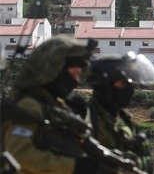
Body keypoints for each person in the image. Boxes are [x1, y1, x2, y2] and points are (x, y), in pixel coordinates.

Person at [1, 35, 99, 174]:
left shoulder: (57, 106)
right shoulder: (29, 106)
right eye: (75, 72)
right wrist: (73, 166)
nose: (77, 80)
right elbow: (18, 154)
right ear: (55, 69)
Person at [86, 51, 154, 174]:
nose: (129, 89)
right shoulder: (87, 119)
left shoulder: (124, 121)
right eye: (123, 83)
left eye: (130, 83)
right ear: (104, 86)